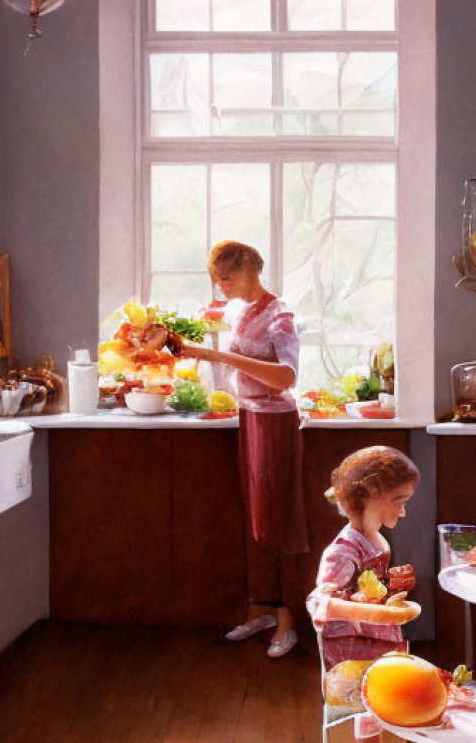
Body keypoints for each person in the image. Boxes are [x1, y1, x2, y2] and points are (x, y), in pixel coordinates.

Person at [179, 240, 307, 659]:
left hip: (276, 423)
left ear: (251, 269)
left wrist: (219, 355)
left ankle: (287, 621)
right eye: (217, 279)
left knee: (280, 518)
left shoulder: (280, 314)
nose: (222, 286)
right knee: (256, 518)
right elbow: (230, 359)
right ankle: (265, 610)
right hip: (250, 418)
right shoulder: (242, 311)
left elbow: (286, 377)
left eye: (227, 277)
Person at [306, 446, 422, 742]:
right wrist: (372, 609)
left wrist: (395, 589)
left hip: (379, 642)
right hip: (353, 651)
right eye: (399, 501)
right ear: (371, 494)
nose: (404, 511)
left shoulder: (376, 539)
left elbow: (371, 587)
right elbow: (320, 603)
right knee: (370, 710)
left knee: (383, 710)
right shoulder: (343, 551)